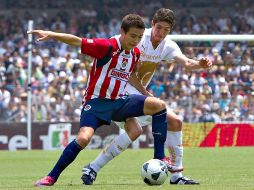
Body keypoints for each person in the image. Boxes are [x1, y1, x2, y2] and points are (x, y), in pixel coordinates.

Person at [31, 14, 169, 187]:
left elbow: (131, 75)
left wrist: (145, 93)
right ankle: (51, 177)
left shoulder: (135, 53)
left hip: (120, 101)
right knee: (83, 138)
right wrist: (52, 34)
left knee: (158, 107)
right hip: (96, 103)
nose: (136, 40)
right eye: (133, 36)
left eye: (140, 37)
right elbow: (77, 41)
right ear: (122, 32)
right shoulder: (107, 46)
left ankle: (159, 158)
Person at [82, 8, 213, 185]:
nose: (161, 33)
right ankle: (94, 168)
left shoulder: (168, 45)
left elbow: (187, 63)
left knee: (172, 122)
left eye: (166, 30)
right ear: (152, 24)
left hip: (139, 96)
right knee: (142, 127)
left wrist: (200, 64)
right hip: (118, 94)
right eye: (159, 28)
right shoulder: (137, 38)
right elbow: (126, 72)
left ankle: (176, 176)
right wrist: (146, 94)